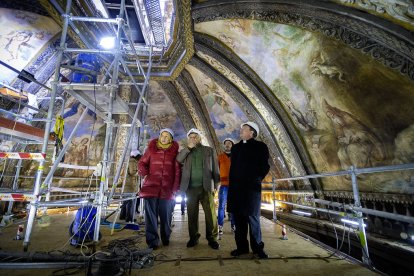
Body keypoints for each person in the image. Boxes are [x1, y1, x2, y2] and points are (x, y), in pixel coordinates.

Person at [228, 122, 270, 259]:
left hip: (251, 189)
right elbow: (233, 169)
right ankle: (242, 248)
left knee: (253, 219)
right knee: (239, 220)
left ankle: (258, 248)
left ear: (252, 132)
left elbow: (265, 166)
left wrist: (256, 178)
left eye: (244, 129)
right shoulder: (236, 148)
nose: (241, 131)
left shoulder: (260, 147)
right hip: (236, 189)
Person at [177, 128, 220, 250]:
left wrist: (217, 184)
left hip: (206, 187)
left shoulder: (209, 150)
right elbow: (178, 160)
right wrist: (188, 148)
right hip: (190, 188)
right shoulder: (185, 151)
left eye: (195, 136)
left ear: (200, 138)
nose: (193, 139)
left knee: (210, 214)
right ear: (188, 139)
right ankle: (193, 237)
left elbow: (215, 168)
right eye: (190, 137)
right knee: (192, 214)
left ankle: (212, 238)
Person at [138, 128, 181, 249]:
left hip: (167, 190)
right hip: (151, 188)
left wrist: (175, 189)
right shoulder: (151, 150)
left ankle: (165, 237)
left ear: (171, 139)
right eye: (162, 135)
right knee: (151, 217)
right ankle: (152, 241)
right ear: (159, 136)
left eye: (167, 136)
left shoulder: (175, 153)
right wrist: (145, 172)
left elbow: (177, 172)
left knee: (166, 216)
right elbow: (141, 163)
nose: (164, 138)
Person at [217, 138, 236, 236]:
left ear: (232, 145)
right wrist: (216, 184)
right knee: (221, 206)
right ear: (224, 145)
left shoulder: (236, 156)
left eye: (229, 143)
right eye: (226, 143)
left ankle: (234, 226)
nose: (228, 145)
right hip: (224, 185)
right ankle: (220, 226)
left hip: (234, 185)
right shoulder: (220, 157)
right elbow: (216, 171)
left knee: (233, 207)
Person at [120, 150, 141, 222]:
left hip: (127, 184)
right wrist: (140, 171)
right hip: (131, 185)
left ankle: (122, 216)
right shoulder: (132, 161)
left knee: (125, 201)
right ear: (136, 156)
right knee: (131, 202)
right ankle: (129, 218)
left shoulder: (128, 161)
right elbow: (133, 172)